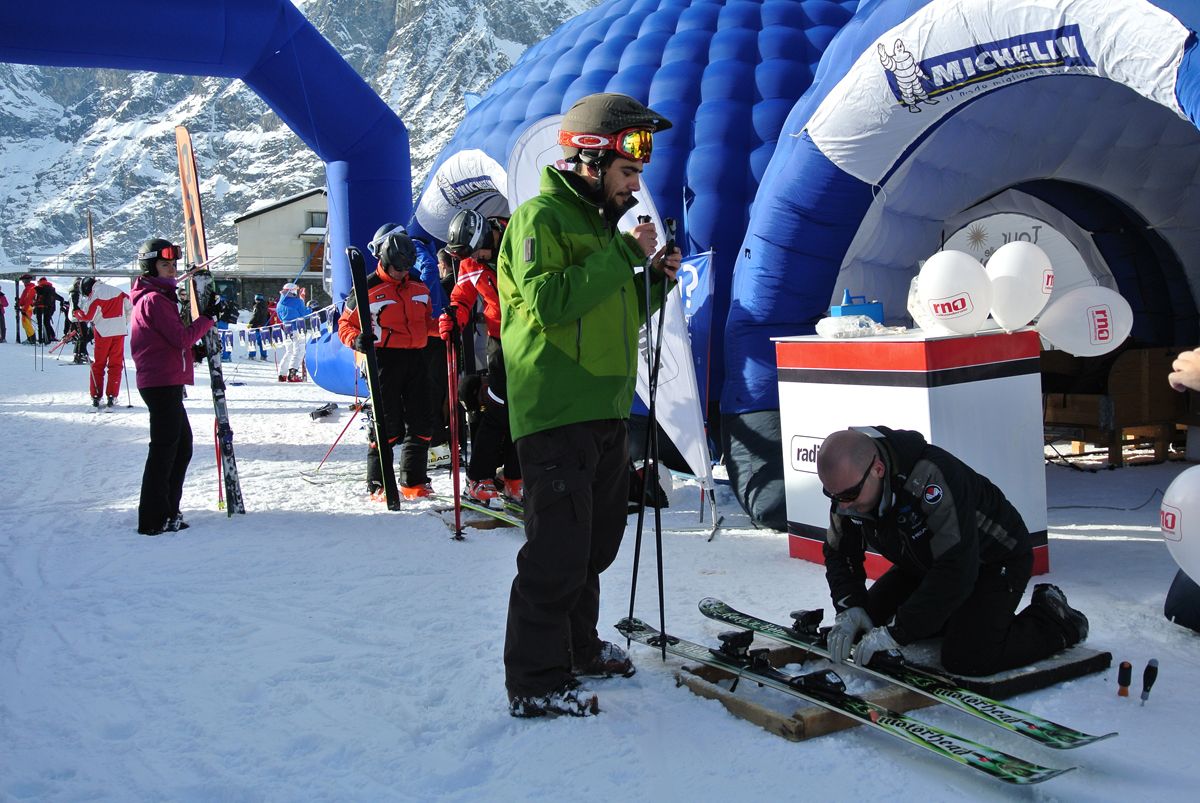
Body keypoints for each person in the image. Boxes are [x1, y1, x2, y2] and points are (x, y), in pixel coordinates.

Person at [498, 92, 680, 717]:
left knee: (593, 546)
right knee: (556, 552)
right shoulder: (539, 220)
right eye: (628, 172)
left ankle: (579, 648)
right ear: (591, 161)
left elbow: (611, 312)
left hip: (604, 408)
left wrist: (654, 283)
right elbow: (551, 304)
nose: (635, 186)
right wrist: (628, 256)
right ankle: (536, 681)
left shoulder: (602, 231)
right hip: (555, 410)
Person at [816, 426, 1090, 676]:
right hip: (925, 564)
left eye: (849, 496)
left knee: (968, 657)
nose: (844, 505)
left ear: (877, 469)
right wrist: (849, 605)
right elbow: (840, 551)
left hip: (993, 561)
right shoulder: (848, 489)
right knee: (866, 624)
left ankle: (1054, 619)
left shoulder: (930, 479)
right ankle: (954, 618)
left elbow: (957, 568)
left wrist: (900, 631)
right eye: (835, 497)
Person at [337, 222, 438, 501]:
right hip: (383, 359)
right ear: (384, 260)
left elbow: (424, 322)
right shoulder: (365, 288)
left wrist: (441, 326)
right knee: (387, 423)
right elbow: (344, 324)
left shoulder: (418, 285)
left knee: (422, 421)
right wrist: (356, 339)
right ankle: (378, 483)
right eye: (397, 268)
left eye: (406, 268)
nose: (402, 273)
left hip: (416, 357)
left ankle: (413, 481)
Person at [129, 237, 220, 535]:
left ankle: (167, 511)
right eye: (164, 264)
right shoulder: (154, 299)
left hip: (162, 380)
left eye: (173, 264)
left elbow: (166, 342)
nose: (171, 269)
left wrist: (193, 352)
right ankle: (154, 519)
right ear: (150, 267)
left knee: (180, 447)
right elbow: (180, 338)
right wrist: (208, 318)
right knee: (166, 450)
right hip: (160, 383)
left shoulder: (156, 296)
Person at [440, 209, 523, 505]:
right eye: (470, 255)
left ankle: (515, 479)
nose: (477, 258)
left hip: (532, 338)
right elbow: (461, 297)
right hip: (500, 340)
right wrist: (453, 317)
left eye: (479, 251)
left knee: (525, 411)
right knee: (499, 408)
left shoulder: (520, 234)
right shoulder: (472, 262)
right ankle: (479, 479)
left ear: (487, 236)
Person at [74, 276, 132, 407]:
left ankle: (96, 396)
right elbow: (129, 307)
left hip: (102, 333)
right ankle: (112, 395)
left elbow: (88, 316)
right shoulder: (118, 291)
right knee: (116, 365)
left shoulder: (95, 294)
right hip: (119, 332)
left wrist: (77, 314)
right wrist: (124, 322)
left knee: (99, 365)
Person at [276, 282, 307, 382]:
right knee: (299, 350)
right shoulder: (297, 302)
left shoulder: (279, 304)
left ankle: (282, 374)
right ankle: (292, 374)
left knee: (289, 351)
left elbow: (280, 317)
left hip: (285, 329)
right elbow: (304, 313)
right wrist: (309, 306)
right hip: (297, 329)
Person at [33, 277, 65, 344]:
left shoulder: (38, 288)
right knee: (46, 323)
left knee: (40, 324)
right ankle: (48, 338)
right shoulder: (51, 289)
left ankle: (41, 339)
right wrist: (61, 303)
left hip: (40, 308)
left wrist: (34, 307)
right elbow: (60, 298)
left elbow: (36, 300)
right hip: (50, 308)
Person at [247, 293, 270, 360]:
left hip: (256, 326)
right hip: (263, 326)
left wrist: (250, 323)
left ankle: (252, 355)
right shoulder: (265, 306)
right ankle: (264, 356)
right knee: (262, 342)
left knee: (252, 340)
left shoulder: (257, 306)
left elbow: (255, 316)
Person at [18, 276, 37, 343]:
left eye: (23, 280)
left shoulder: (29, 288)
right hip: (27, 307)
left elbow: (28, 299)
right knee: (25, 323)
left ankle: (32, 339)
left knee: (26, 323)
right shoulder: (29, 288)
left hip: (27, 307)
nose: (23, 282)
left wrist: (24, 309)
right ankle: (30, 338)